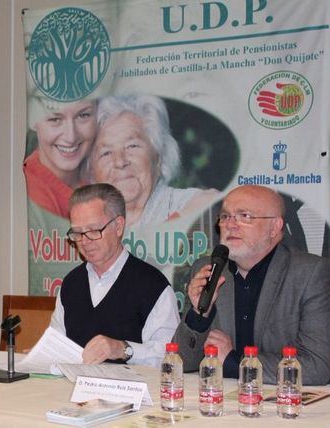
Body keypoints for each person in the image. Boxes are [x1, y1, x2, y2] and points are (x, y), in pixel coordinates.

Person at [173, 185, 330, 385]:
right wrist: (199, 314)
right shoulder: (209, 270)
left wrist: (235, 363)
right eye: (225, 217)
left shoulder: (310, 273)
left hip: (298, 403)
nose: (230, 225)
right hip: (226, 402)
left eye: (244, 216)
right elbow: (182, 362)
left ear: (275, 227)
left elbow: (316, 366)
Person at [49, 183, 180, 367]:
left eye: (94, 230)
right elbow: (58, 342)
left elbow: (170, 357)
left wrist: (123, 349)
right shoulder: (71, 284)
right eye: (78, 233)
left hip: (132, 392)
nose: (85, 242)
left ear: (118, 226)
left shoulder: (153, 286)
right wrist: (45, 355)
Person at [88, 94, 217, 227]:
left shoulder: (192, 205)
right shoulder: (86, 227)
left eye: (132, 146)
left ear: (159, 155)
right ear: (92, 172)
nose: (120, 162)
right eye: (106, 153)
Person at [23, 97, 97, 218]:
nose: (71, 137)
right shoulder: (32, 192)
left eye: (83, 115)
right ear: (32, 120)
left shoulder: (100, 171)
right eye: (55, 119)